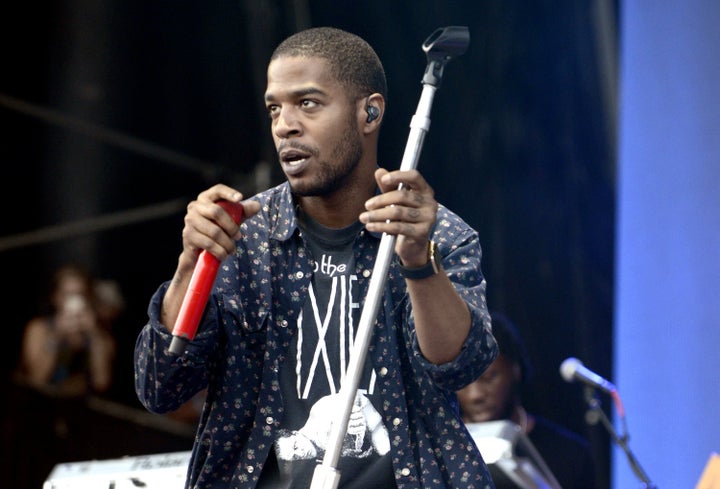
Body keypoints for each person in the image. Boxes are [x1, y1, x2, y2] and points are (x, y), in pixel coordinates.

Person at [134, 26, 498, 489]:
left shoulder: (437, 233)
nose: (285, 124)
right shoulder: (244, 238)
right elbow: (160, 388)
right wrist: (190, 266)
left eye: (307, 103)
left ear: (369, 113)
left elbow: (461, 366)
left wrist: (418, 264)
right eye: (274, 108)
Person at [456, 311, 597, 489]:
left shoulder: (569, 455)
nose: (475, 395)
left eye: (489, 377)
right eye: (463, 382)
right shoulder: (441, 452)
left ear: (516, 369)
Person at [16, 263, 116, 397]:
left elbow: (102, 382)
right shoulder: (39, 328)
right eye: (67, 294)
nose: (74, 301)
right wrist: (57, 336)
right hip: (41, 406)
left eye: (80, 294)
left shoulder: (100, 333)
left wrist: (94, 334)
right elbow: (36, 380)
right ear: (55, 297)